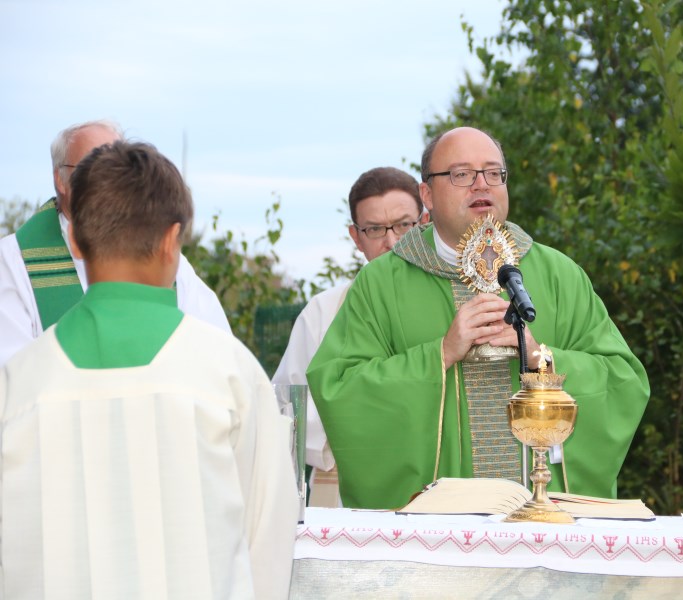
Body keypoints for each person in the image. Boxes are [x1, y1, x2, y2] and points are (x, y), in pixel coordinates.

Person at [0, 141, 298, 598]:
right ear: (170, 241)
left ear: (75, 240)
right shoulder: (231, 375)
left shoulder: (17, 384)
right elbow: (267, 546)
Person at [307, 126, 650, 509]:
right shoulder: (381, 284)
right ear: (427, 195)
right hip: (434, 535)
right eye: (461, 174)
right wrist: (439, 355)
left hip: (542, 529)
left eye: (492, 173)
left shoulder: (558, 274)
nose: (480, 185)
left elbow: (624, 380)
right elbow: (338, 388)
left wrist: (543, 359)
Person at [0, 120, 230, 367]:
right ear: (61, 179)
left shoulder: (168, 258)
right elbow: (11, 377)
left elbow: (220, 357)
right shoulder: (13, 260)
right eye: (90, 168)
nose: (106, 180)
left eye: (118, 170)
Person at [272, 166, 427, 506]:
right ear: (356, 238)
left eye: (404, 225)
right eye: (374, 229)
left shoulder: (451, 307)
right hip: (341, 487)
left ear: (425, 223)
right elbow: (286, 411)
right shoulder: (323, 313)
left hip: (437, 488)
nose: (391, 241)